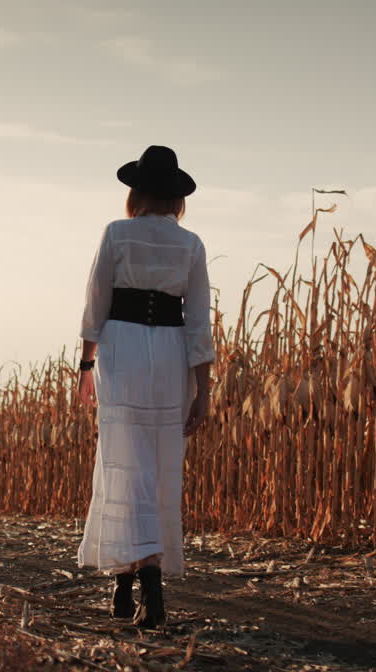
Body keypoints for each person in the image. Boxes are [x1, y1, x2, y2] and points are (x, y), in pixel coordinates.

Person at [75, 145, 214, 628]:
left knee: (124, 464)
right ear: (176, 198)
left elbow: (96, 302)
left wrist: (86, 366)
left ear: (135, 192)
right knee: (158, 466)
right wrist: (204, 390)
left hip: (123, 352)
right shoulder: (191, 244)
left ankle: (129, 580)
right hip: (172, 357)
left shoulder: (116, 233)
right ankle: (143, 578)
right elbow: (199, 322)